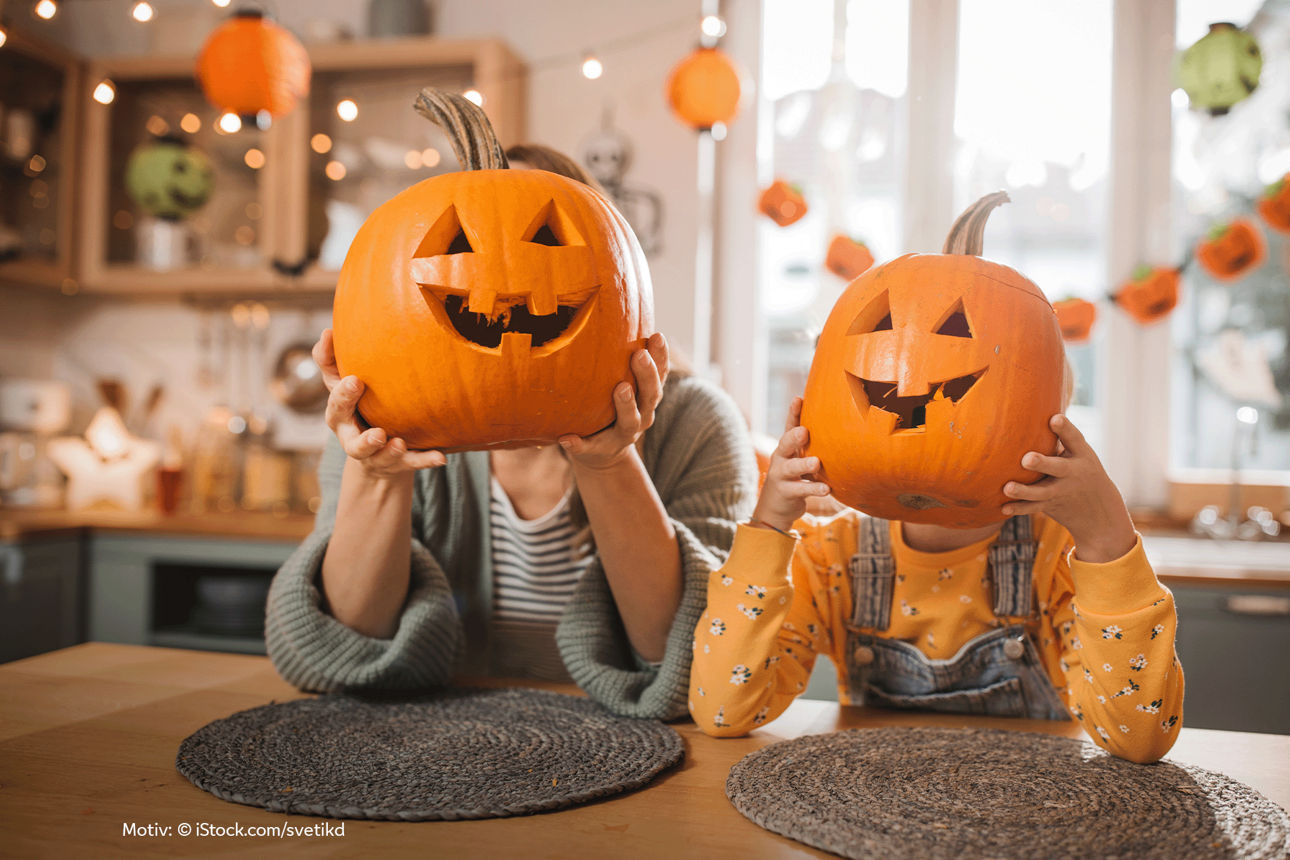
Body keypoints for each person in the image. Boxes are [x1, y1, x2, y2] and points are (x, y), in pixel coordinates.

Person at [266, 143, 757, 720]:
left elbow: (698, 666)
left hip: (640, 754)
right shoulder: (380, 426)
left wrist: (607, 462)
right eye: (461, 244)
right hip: (437, 748)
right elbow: (344, 653)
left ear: (612, 264)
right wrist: (378, 473)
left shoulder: (695, 424)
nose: (503, 278)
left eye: (545, 240)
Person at [690, 381, 1186, 763]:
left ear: (1051, 447)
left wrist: (1106, 540)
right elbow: (723, 712)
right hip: (870, 808)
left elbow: (1137, 739)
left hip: (1032, 812)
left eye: (978, 410)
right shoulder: (831, 556)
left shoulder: (1056, 558)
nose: (939, 431)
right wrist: (769, 526)